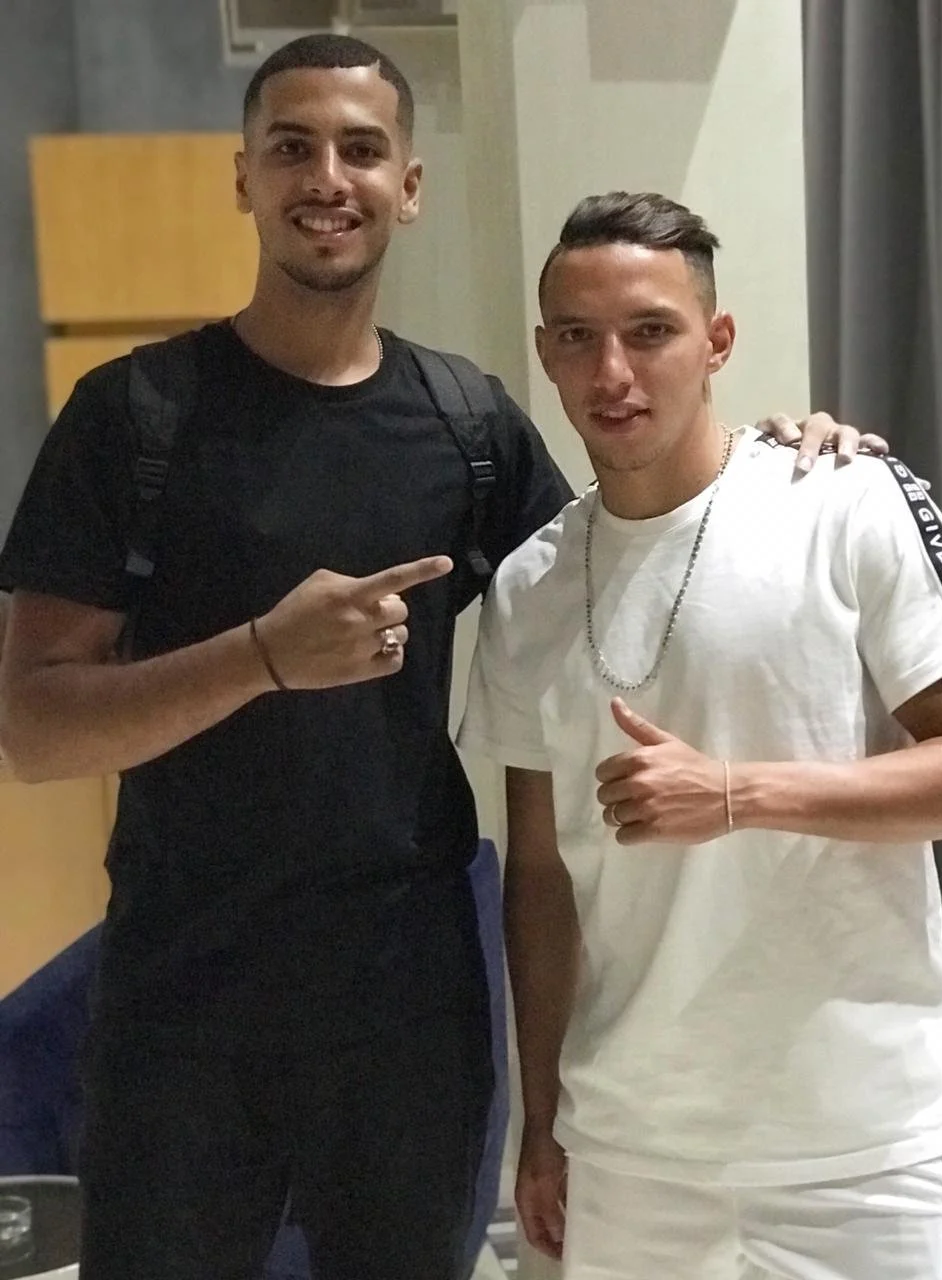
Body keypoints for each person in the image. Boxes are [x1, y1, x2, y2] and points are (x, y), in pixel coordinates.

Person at [0, 34, 872, 1280]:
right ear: (239, 177)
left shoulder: (466, 426)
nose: (326, 176)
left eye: (361, 149)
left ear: (408, 184)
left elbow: (626, 561)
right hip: (183, 994)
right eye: (291, 146)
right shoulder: (133, 417)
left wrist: (784, 452)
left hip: (406, 1001)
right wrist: (260, 653)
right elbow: (34, 729)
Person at [458, 191, 942, 1280]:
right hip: (632, 1158)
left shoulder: (845, 498)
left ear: (716, 341)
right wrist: (543, 1119)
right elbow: (538, 877)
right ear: (545, 353)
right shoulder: (527, 587)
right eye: (578, 338)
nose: (612, 372)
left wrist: (737, 792)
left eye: (650, 331)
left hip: (865, 1145)